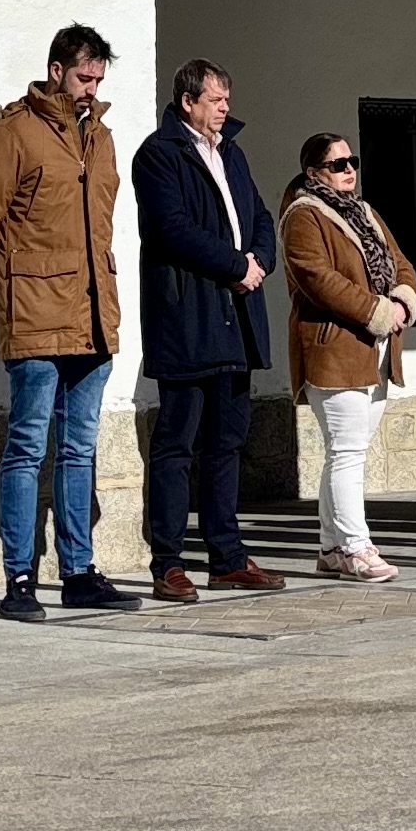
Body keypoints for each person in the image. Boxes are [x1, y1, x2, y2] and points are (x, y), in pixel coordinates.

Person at [0, 22, 143, 621]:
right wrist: (5, 294)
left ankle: (79, 571)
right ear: (56, 70)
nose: (91, 88)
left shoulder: (102, 140)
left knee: (80, 449)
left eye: (99, 79)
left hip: (92, 317)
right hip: (34, 318)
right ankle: (18, 579)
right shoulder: (12, 135)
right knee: (28, 447)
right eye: (84, 76)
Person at [131, 56, 288, 602]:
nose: (225, 108)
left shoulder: (233, 154)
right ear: (188, 102)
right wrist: (233, 265)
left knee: (227, 442)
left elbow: (262, 217)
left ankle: (226, 556)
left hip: (238, 318)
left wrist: (259, 261)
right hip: (189, 317)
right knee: (177, 444)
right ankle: (168, 562)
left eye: (227, 98)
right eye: (216, 100)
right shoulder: (159, 155)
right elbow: (171, 230)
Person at [279, 131, 416, 581]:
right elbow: (319, 280)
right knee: (346, 452)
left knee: (346, 452)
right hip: (333, 347)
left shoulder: (365, 212)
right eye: (338, 164)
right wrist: (378, 311)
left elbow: (401, 264)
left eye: (352, 161)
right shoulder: (303, 216)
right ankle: (357, 548)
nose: (349, 171)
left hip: (374, 350)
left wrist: (401, 300)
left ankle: (330, 547)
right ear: (314, 172)